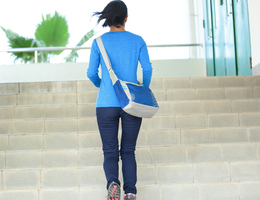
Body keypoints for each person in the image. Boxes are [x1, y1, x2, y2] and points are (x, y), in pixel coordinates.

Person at [87, 1, 153, 199]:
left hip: (106, 104)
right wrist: (143, 89)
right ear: (125, 18)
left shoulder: (98, 42)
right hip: (131, 103)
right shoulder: (138, 40)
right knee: (128, 151)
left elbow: (91, 73)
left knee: (110, 151)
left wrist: (103, 85)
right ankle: (130, 193)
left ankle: (113, 182)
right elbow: (147, 69)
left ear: (107, 19)